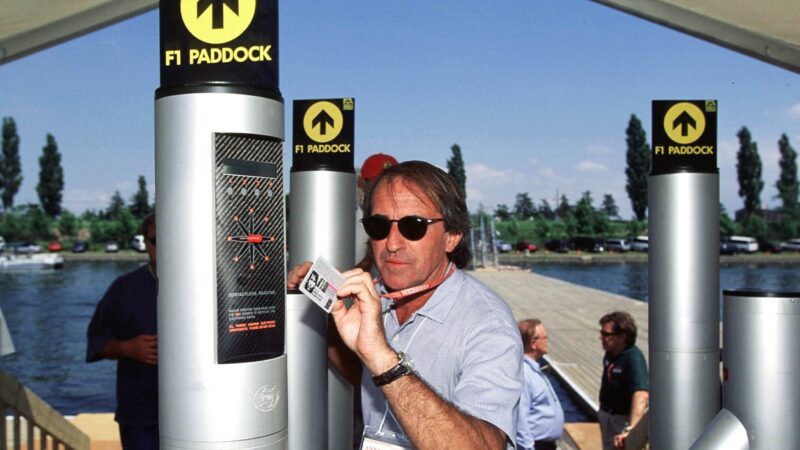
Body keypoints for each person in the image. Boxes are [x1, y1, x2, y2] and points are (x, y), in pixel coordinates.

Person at [289, 160, 522, 449]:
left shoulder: (487, 325)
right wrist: (314, 304)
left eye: (413, 226)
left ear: (452, 236)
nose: (392, 243)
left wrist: (382, 358)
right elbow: (362, 376)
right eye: (379, 226)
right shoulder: (374, 298)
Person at [87, 213, 158, 450]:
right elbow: (97, 342)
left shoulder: (212, 284)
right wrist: (128, 348)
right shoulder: (124, 289)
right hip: (141, 417)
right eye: (156, 240)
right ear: (145, 243)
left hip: (199, 409)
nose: (165, 246)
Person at [597, 311, 649, 450]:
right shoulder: (611, 353)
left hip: (622, 420)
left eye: (606, 334)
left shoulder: (633, 359)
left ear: (622, 336)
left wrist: (631, 429)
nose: (601, 337)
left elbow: (641, 394)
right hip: (607, 415)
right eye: (601, 333)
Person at [516, 319, 564, 450]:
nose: (547, 341)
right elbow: (520, 418)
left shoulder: (533, 370)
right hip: (536, 446)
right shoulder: (524, 375)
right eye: (545, 337)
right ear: (533, 343)